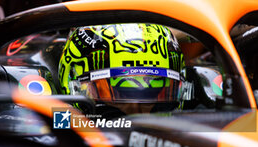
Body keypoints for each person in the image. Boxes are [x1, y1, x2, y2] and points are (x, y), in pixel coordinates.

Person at [58, 23, 186, 116]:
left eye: (150, 96)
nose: (136, 115)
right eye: (119, 96)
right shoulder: (59, 120)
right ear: (75, 87)